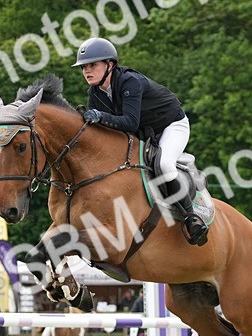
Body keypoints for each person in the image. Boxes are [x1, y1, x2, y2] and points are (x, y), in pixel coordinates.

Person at [73, 37, 208, 246]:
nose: (87, 71)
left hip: (171, 125)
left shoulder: (129, 82)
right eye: (84, 67)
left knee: (163, 164)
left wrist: (100, 117)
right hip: (144, 133)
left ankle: (192, 218)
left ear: (110, 65)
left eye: (92, 65)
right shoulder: (95, 93)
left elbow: (130, 122)